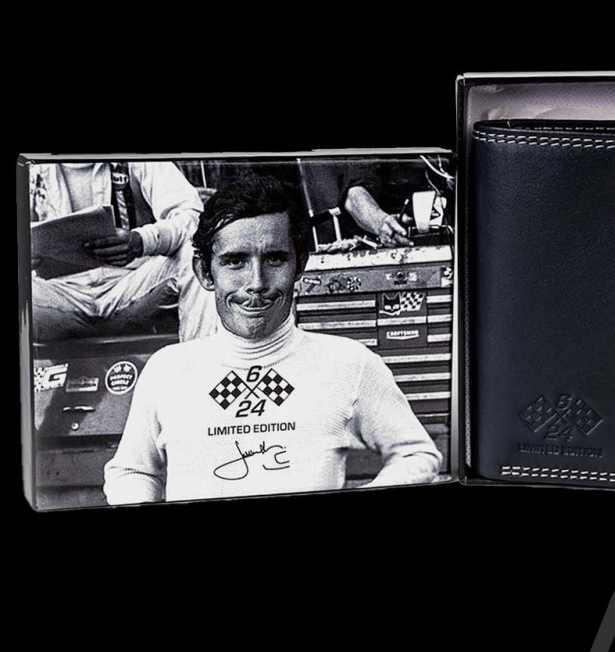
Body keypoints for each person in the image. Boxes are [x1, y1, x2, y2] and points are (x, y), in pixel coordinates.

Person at [103, 174, 442, 504]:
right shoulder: (168, 370)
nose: (256, 283)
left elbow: (416, 454)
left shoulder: (350, 363)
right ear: (205, 272)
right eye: (235, 261)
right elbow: (132, 471)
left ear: (299, 264)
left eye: (274, 258)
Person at [30, 161, 219, 342]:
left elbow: (192, 217)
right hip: (58, 298)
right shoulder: (29, 166)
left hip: (134, 289)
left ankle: (201, 360)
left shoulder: (142, 161)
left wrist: (141, 241)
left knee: (196, 253)